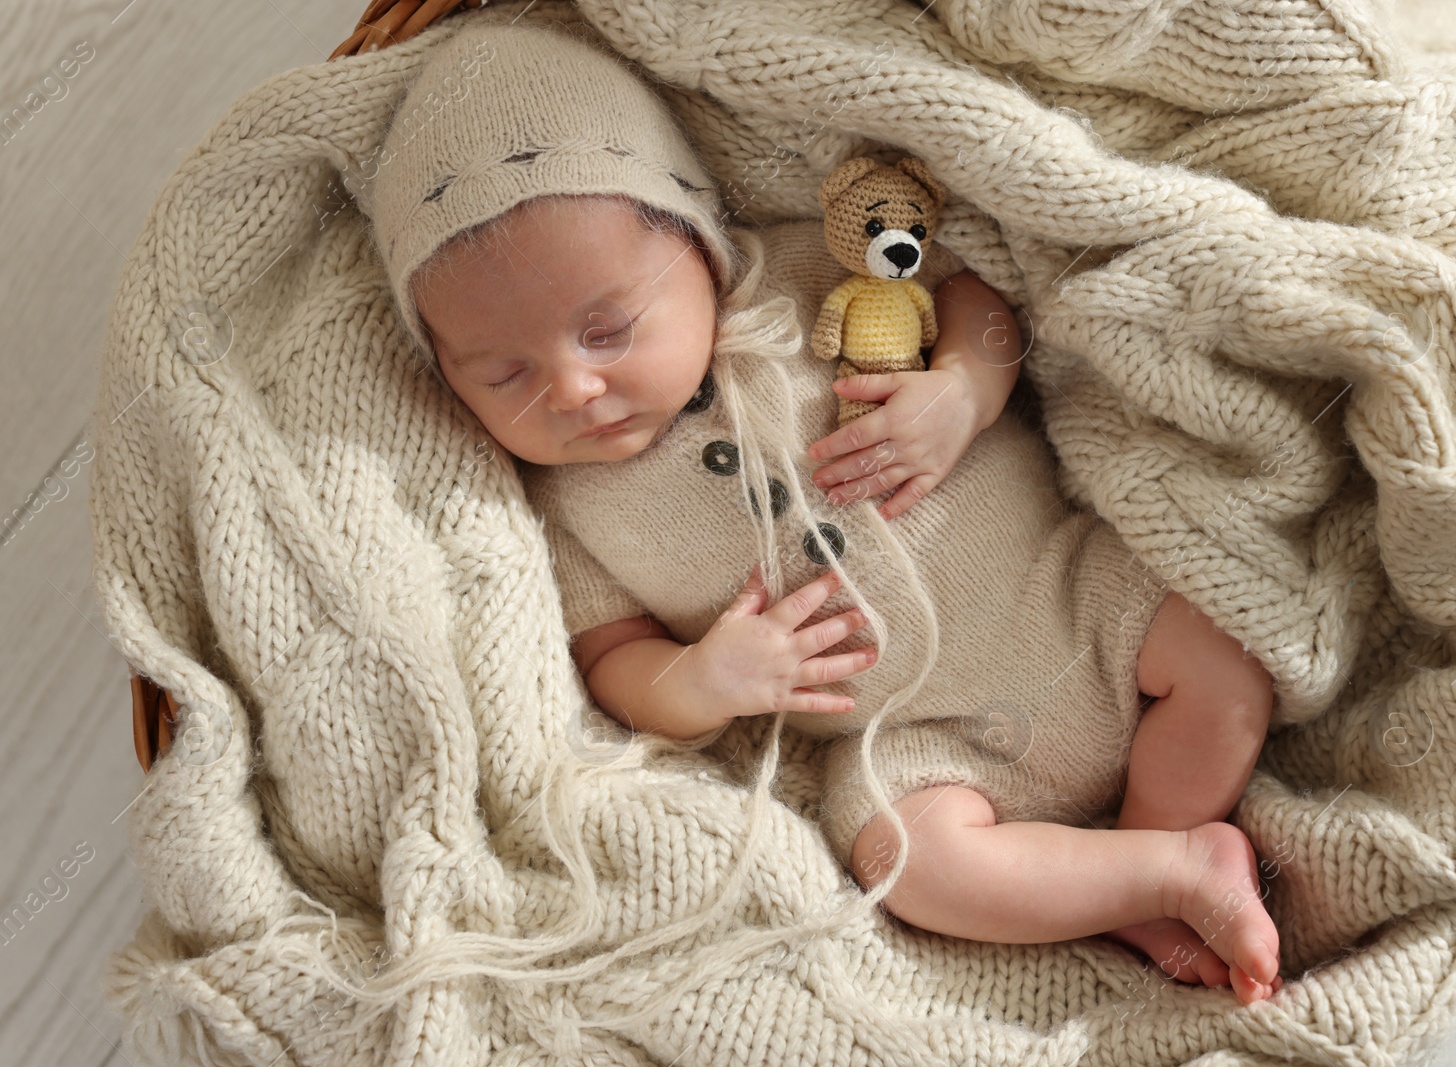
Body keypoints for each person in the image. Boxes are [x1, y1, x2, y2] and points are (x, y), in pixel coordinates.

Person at [364, 11, 1283, 1004]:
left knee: (1224, 645)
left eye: (607, 328)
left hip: (1075, 596)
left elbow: (978, 301)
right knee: (903, 856)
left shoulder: (802, 278)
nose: (573, 389)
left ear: (702, 249)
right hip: (920, 740)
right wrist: (705, 680)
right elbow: (614, 665)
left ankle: (1151, 849)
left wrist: (966, 390)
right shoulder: (564, 503)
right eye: (505, 374)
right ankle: (1160, 873)